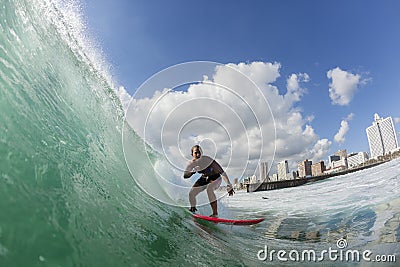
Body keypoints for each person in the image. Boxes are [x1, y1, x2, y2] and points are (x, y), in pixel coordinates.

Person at [183, 145, 234, 217]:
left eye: (199, 152)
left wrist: (228, 184)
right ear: (192, 155)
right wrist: (192, 172)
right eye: (196, 153)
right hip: (204, 178)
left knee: (209, 189)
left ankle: (215, 214)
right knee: (192, 193)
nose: (198, 154)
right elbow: (185, 175)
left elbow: (222, 172)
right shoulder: (192, 164)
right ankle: (193, 209)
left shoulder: (208, 160)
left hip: (216, 178)